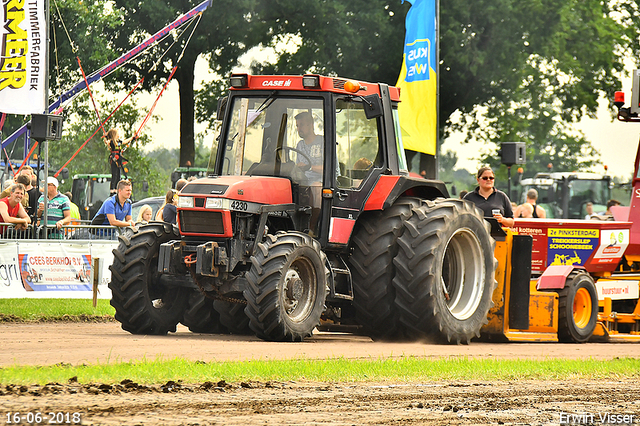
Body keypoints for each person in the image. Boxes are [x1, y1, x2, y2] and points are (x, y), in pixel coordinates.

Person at [295, 112, 323, 182]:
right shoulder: (300, 145)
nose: (299, 129)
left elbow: (331, 169)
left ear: (311, 125)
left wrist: (310, 167)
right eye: (297, 126)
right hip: (305, 183)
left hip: (322, 183)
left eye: (302, 125)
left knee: (316, 186)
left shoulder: (323, 142)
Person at [103, 128, 133, 193]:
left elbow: (125, 141)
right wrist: (106, 137)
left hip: (118, 160)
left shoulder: (118, 142)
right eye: (117, 134)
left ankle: (117, 189)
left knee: (118, 176)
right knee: (114, 175)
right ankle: (112, 190)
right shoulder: (111, 142)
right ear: (114, 135)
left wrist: (132, 138)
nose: (118, 135)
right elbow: (106, 142)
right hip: (114, 160)